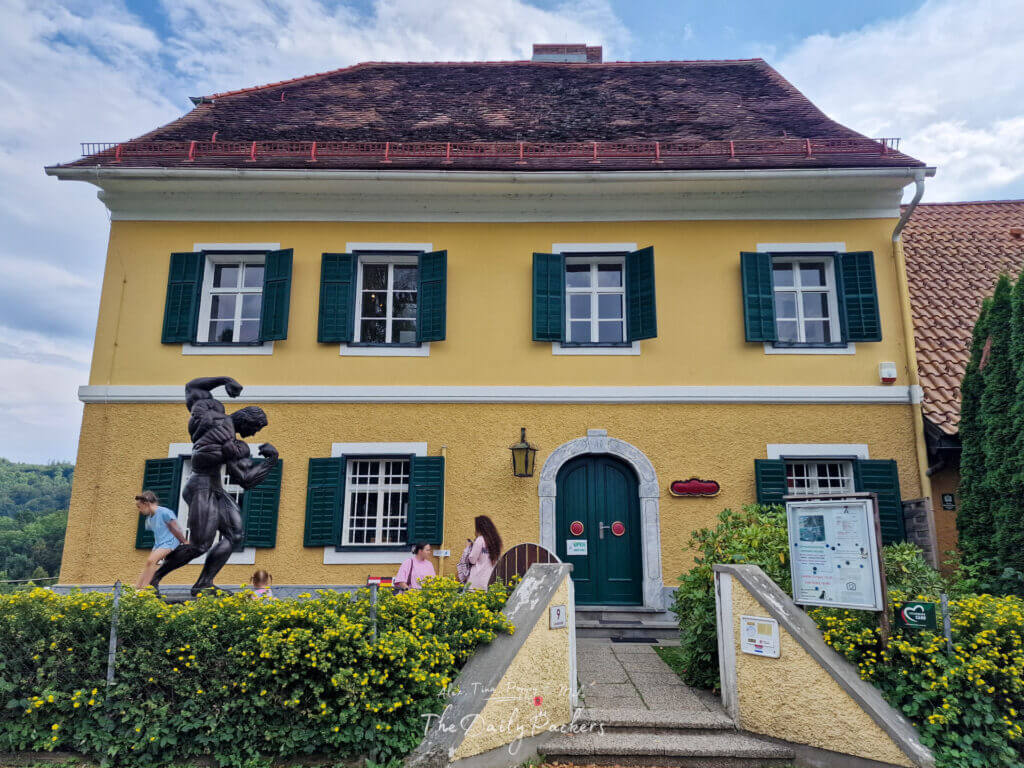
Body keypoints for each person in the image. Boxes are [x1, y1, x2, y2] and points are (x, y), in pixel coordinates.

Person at [150, 376, 279, 596]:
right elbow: (192, 387)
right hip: (200, 486)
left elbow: (245, 480)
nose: (255, 434)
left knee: (235, 535)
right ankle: (153, 580)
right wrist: (270, 460)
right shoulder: (216, 422)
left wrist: (225, 380)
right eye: (255, 428)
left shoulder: (227, 434)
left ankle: (204, 583)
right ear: (246, 421)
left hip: (216, 488)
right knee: (200, 545)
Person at [134, 490, 188, 590]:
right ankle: (136, 589)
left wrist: (184, 542)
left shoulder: (164, 512)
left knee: (152, 560)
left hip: (170, 541)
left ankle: (144, 590)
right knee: (148, 563)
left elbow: (175, 528)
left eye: (139, 507)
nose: (139, 510)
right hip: (159, 544)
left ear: (146, 504)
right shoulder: (149, 519)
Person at [467, 515, 502, 590]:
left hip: (477, 580)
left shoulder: (480, 540)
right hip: (491, 578)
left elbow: (472, 560)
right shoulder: (496, 541)